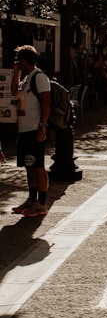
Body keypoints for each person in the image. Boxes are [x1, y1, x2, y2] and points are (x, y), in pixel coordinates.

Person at [10, 45, 51, 217]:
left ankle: (41, 203)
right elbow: (14, 92)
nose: (17, 62)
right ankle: (32, 199)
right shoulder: (26, 79)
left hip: (35, 128)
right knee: (29, 165)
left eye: (19, 60)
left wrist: (42, 126)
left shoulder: (39, 77)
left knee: (38, 166)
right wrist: (16, 72)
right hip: (24, 129)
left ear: (24, 60)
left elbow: (46, 102)